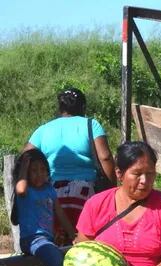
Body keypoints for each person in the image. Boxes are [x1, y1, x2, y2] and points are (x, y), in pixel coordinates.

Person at [24, 87, 116, 246]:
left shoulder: (44, 129)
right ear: (83, 107)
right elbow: (105, 157)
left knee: (56, 240)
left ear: (60, 108)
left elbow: (26, 156)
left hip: (52, 191)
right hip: (84, 192)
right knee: (84, 240)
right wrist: (111, 190)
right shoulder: (91, 125)